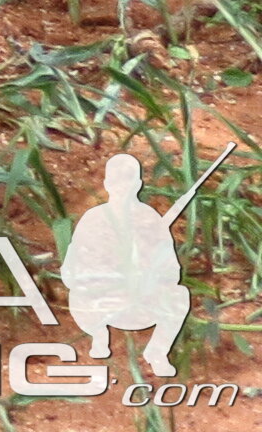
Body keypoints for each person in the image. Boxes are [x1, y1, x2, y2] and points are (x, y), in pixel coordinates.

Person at [61, 151, 191, 376]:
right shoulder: (93, 219)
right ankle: (99, 336)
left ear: (138, 184)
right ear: (107, 184)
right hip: (98, 305)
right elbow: (71, 270)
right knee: (79, 293)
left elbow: (171, 271)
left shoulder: (150, 220)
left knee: (179, 295)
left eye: (126, 181)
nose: (122, 188)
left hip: (140, 305)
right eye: (117, 181)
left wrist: (148, 276)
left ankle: (157, 352)